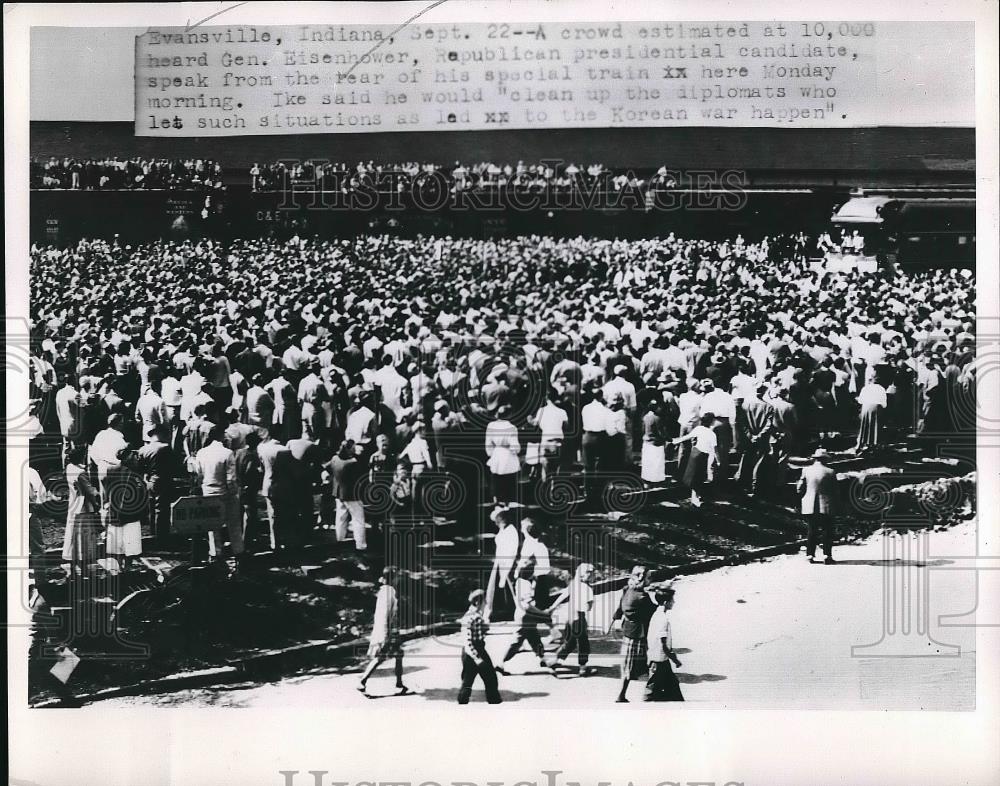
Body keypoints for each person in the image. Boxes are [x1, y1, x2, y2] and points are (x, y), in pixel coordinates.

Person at [357, 567, 410, 696]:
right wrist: (386, 634)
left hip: (389, 629)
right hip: (388, 631)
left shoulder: (384, 590)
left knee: (398, 654)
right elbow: (385, 614)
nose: (398, 579)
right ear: (392, 578)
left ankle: (399, 683)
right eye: (397, 577)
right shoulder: (389, 592)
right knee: (380, 657)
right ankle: (362, 681)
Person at [612, 565, 655, 702]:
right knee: (630, 665)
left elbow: (620, 606)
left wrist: (615, 619)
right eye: (649, 577)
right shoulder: (643, 597)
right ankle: (621, 695)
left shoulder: (627, 589)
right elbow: (653, 610)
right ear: (641, 578)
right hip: (637, 634)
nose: (651, 580)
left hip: (629, 631)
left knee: (633, 663)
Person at [497, 566, 552, 674]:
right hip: (525, 615)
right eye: (533, 571)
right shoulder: (525, 584)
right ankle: (500, 664)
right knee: (517, 641)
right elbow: (527, 605)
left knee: (535, 638)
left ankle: (543, 659)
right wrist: (541, 613)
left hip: (525, 614)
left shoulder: (521, 581)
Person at [544, 562, 595, 676]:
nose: (593, 577)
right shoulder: (588, 589)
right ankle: (583, 668)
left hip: (570, 617)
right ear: (585, 575)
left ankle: (554, 661)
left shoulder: (573, 584)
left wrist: (552, 608)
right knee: (583, 643)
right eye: (591, 574)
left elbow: (562, 596)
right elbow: (588, 607)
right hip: (579, 618)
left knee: (570, 642)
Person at [457, 588, 502, 704]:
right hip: (473, 652)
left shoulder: (476, 615)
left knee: (469, 680)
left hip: (476, 650)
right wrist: (476, 658)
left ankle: (463, 701)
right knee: (489, 678)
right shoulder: (471, 617)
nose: (485, 604)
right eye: (484, 602)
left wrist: (486, 620)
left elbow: (483, 630)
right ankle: (494, 701)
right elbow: (467, 641)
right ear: (477, 602)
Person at [61, 445, 101, 574]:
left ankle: (73, 566)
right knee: (84, 539)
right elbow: (91, 492)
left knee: (73, 536)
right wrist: (97, 502)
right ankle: (83, 568)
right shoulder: (81, 473)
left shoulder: (69, 468)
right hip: (84, 507)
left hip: (73, 505)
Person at [797, 449, 840, 564]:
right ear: (825, 459)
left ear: (815, 459)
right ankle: (827, 556)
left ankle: (810, 555)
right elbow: (836, 491)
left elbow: (799, 488)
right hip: (826, 505)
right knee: (827, 531)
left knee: (811, 530)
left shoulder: (806, 470)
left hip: (809, 505)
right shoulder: (830, 472)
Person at [644, 587, 684, 702]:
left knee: (674, 690)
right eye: (672, 600)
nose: (674, 602)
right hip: (659, 662)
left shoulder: (656, 614)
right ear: (666, 603)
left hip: (661, 661)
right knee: (650, 694)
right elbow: (663, 646)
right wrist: (675, 659)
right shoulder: (662, 619)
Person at [329, 439, 368, 552]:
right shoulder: (353, 463)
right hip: (351, 494)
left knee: (340, 518)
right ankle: (361, 545)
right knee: (358, 520)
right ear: (350, 450)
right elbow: (362, 473)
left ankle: (339, 540)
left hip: (338, 492)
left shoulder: (335, 459)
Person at [673, 412, 718, 507]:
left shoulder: (699, 429)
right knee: (698, 478)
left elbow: (687, 437)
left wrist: (676, 440)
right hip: (702, 456)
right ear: (711, 422)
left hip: (695, 454)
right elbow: (713, 451)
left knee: (696, 478)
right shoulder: (712, 435)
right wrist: (714, 463)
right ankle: (695, 499)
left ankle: (695, 497)